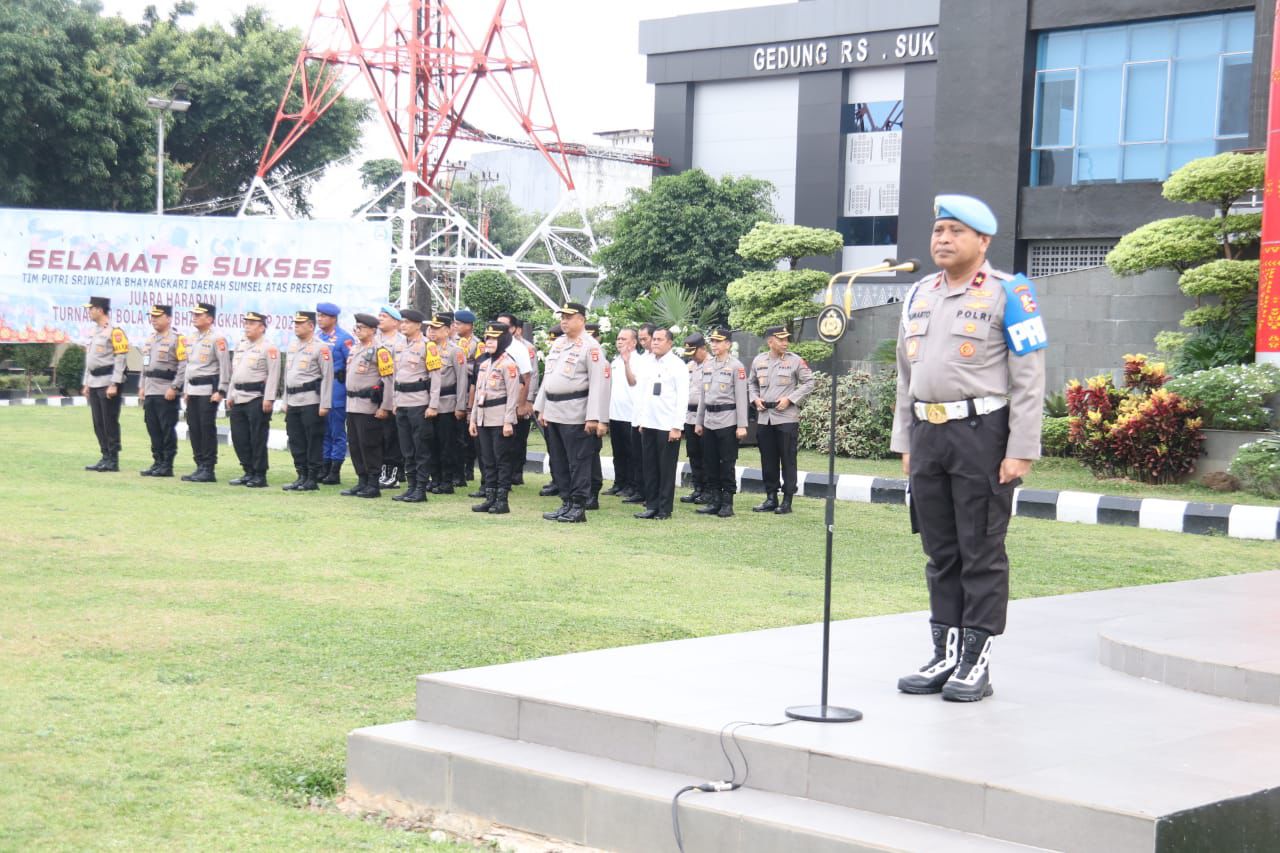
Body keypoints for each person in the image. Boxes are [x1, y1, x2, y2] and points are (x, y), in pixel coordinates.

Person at [893, 194, 1046, 703]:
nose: (943, 239)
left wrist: (1020, 448)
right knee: (939, 551)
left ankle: (975, 662)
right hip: (928, 434)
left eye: (956, 231)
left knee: (980, 548)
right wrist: (905, 441)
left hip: (982, 434)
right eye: (939, 230)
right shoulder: (918, 293)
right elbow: (905, 376)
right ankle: (945, 652)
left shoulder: (1011, 293)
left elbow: (1029, 379)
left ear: (983, 241)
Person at [533, 302, 609, 523]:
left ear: (581, 320)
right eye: (562, 317)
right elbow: (549, 377)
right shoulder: (559, 343)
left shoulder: (591, 347)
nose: (564, 321)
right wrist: (542, 407)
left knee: (579, 462)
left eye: (569, 317)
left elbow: (599, 384)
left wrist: (595, 417)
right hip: (554, 410)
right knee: (559, 461)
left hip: (576, 411)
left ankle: (578, 506)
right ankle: (566, 502)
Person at [748, 326, 814, 514]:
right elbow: (751, 383)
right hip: (764, 417)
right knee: (767, 459)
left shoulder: (795, 361)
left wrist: (790, 399)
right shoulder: (759, 360)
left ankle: (787, 500)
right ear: (770, 342)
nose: (785, 343)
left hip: (786, 417)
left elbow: (810, 382)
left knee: (787, 459)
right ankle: (771, 497)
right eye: (781, 339)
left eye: (787, 339)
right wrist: (755, 399)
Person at [632, 328, 688, 520]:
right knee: (650, 467)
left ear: (670, 343)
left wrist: (677, 426)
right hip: (649, 422)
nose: (655, 342)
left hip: (667, 424)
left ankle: (664, 508)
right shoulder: (648, 363)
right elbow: (643, 394)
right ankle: (652, 504)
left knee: (666, 468)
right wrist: (641, 420)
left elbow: (682, 398)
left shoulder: (677, 365)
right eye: (653, 339)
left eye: (659, 339)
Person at [694, 327, 749, 517]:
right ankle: (714, 500)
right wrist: (699, 421)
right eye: (713, 341)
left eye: (718, 341)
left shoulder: (736, 366)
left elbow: (742, 397)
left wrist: (742, 425)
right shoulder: (708, 366)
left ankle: (727, 502)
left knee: (727, 463)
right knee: (710, 462)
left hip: (728, 420)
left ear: (728, 344)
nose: (714, 345)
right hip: (709, 419)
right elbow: (703, 395)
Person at [469, 322, 521, 514]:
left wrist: (508, 421)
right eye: (487, 338)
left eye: (493, 339)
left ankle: (502, 500)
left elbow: (513, 395)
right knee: (487, 459)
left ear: (503, 341)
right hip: (483, 418)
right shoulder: (483, 364)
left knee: (502, 460)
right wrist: (473, 419)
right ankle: (489, 498)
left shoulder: (509, 364)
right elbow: (478, 395)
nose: (489, 342)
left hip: (500, 419)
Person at [281, 310, 334, 492]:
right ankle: (301, 475)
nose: (296, 326)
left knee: (313, 440)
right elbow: (287, 375)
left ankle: (312, 478)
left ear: (311, 326)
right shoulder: (293, 346)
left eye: (300, 323)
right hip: (294, 400)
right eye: (294, 323)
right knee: (296, 440)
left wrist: (325, 404)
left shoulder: (321, 347)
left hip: (311, 400)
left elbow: (328, 377)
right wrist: (285, 400)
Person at [343, 313, 395, 498]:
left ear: (373, 330)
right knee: (355, 445)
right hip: (352, 404)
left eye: (362, 328)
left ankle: (373, 483)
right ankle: (362, 480)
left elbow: (388, 380)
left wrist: (385, 406)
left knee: (369, 444)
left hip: (369, 405)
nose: (359, 331)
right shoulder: (356, 348)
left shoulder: (380, 351)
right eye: (357, 328)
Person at [226, 311, 280, 488]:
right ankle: (247, 471)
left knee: (257, 438)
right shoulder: (241, 345)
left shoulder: (268, 347)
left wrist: (269, 398)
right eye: (246, 322)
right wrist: (230, 394)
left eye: (252, 323)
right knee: (239, 437)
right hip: (238, 396)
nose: (247, 326)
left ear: (262, 327)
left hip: (257, 397)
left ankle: (259, 474)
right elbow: (235, 372)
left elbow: (274, 375)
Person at [181, 302, 230, 482]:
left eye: (198, 314)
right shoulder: (192, 337)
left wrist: (221, 390)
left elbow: (225, 366)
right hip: (193, 389)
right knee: (193, 428)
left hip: (208, 390)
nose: (194, 317)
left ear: (209, 318)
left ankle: (208, 468)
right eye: (193, 314)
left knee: (206, 428)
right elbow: (189, 366)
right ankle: (199, 465)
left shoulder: (218, 339)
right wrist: (186, 389)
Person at [81, 296, 129, 472]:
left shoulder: (115, 332)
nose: (89, 311)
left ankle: (113, 459)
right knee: (98, 422)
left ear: (100, 310)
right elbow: (90, 359)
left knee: (109, 421)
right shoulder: (94, 331)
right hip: (94, 381)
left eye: (91, 308)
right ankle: (104, 455)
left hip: (108, 381)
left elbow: (121, 358)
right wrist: (86, 382)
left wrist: (115, 383)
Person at [136, 304, 185, 477]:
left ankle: (167, 464)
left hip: (166, 390)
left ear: (169, 318)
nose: (154, 319)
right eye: (152, 316)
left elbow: (183, 365)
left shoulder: (177, 339)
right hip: (150, 389)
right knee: (153, 428)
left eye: (158, 316)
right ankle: (157, 461)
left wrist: (175, 386)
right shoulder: (150, 340)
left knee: (166, 428)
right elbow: (145, 365)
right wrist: (142, 385)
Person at [390, 309, 433, 503]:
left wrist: (433, 404)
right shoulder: (398, 346)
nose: (403, 325)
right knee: (407, 448)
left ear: (418, 325)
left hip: (419, 402)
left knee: (420, 447)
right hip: (402, 402)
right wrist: (394, 401)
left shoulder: (427, 346)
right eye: (402, 322)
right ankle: (411, 486)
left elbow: (436, 377)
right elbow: (394, 377)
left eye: (407, 322)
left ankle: (421, 489)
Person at [425, 312, 469, 493]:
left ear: (447, 330)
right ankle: (434, 478)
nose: (432, 331)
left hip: (447, 403)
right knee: (431, 443)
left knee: (446, 444)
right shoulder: (428, 349)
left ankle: (447, 481)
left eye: (436, 328)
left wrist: (460, 407)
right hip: (428, 402)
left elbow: (462, 380)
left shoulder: (455, 351)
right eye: (430, 328)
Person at [494, 312, 538, 487]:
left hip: (520, 396)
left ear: (513, 329)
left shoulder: (525, 348)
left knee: (518, 438)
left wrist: (527, 401)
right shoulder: (493, 346)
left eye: (504, 325)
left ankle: (516, 472)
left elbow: (531, 376)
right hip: (499, 400)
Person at [315, 302, 354, 485]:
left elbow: (351, 365)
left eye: (323, 316)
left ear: (333, 318)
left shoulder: (344, 338)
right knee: (323, 431)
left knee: (337, 431)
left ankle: (335, 470)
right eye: (319, 315)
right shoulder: (317, 337)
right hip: (320, 389)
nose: (320, 319)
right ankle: (324, 465)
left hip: (337, 389)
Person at [622, 323, 657, 505]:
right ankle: (639, 490)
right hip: (637, 414)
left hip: (651, 417)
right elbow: (632, 382)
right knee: (637, 456)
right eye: (641, 339)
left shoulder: (661, 361)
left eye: (646, 339)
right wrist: (627, 363)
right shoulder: (642, 360)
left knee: (649, 459)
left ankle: (651, 494)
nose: (643, 343)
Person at [606, 327, 639, 499]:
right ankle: (619, 482)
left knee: (631, 453)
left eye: (624, 339)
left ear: (634, 342)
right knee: (618, 452)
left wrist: (627, 363)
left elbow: (633, 382)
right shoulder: (615, 361)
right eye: (618, 338)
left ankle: (632, 485)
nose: (619, 341)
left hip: (630, 414)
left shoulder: (638, 361)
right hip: (615, 413)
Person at [375, 306, 406, 488]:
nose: (380, 319)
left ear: (395, 321)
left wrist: (391, 400)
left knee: (392, 437)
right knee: (377, 436)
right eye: (379, 316)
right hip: (373, 395)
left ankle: (392, 474)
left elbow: (396, 374)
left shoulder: (401, 343)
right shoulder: (374, 340)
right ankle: (378, 471)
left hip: (393, 393)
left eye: (384, 316)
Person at [452, 308, 483, 487]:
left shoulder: (477, 344)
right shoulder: (452, 342)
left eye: (460, 324)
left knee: (466, 435)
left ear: (469, 326)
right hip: (453, 389)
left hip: (469, 388)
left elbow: (477, 368)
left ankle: (468, 468)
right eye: (455, 324)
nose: (456, 327)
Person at [679, 332, 710, 504]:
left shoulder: (712, 365)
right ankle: (698, 488)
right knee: (693, 454)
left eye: (694, 352)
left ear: (703, 348)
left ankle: (708, 489)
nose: (692, 356)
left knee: (706, 455)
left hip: (705, 416)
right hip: (689, 416)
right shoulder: (690, 366)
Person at [538, 323, 565, 499]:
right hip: (550, 408)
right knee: (554, 449)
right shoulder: (553, 358)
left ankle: (563, 485)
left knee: (565, 452)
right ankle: (557, 480)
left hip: (565, 411)